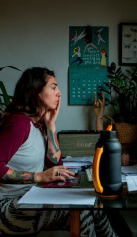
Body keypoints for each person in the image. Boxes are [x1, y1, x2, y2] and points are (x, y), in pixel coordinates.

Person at [0, 67, 117, 236]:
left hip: (29, 197)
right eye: (53, 87)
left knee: (93, 202)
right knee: (81, 207)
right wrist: (40, 176)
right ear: (36, 90)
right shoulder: (19, 122)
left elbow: (56, 164)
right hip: (7, 207)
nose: (59, 93)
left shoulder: (36, 125)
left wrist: (51, 125)